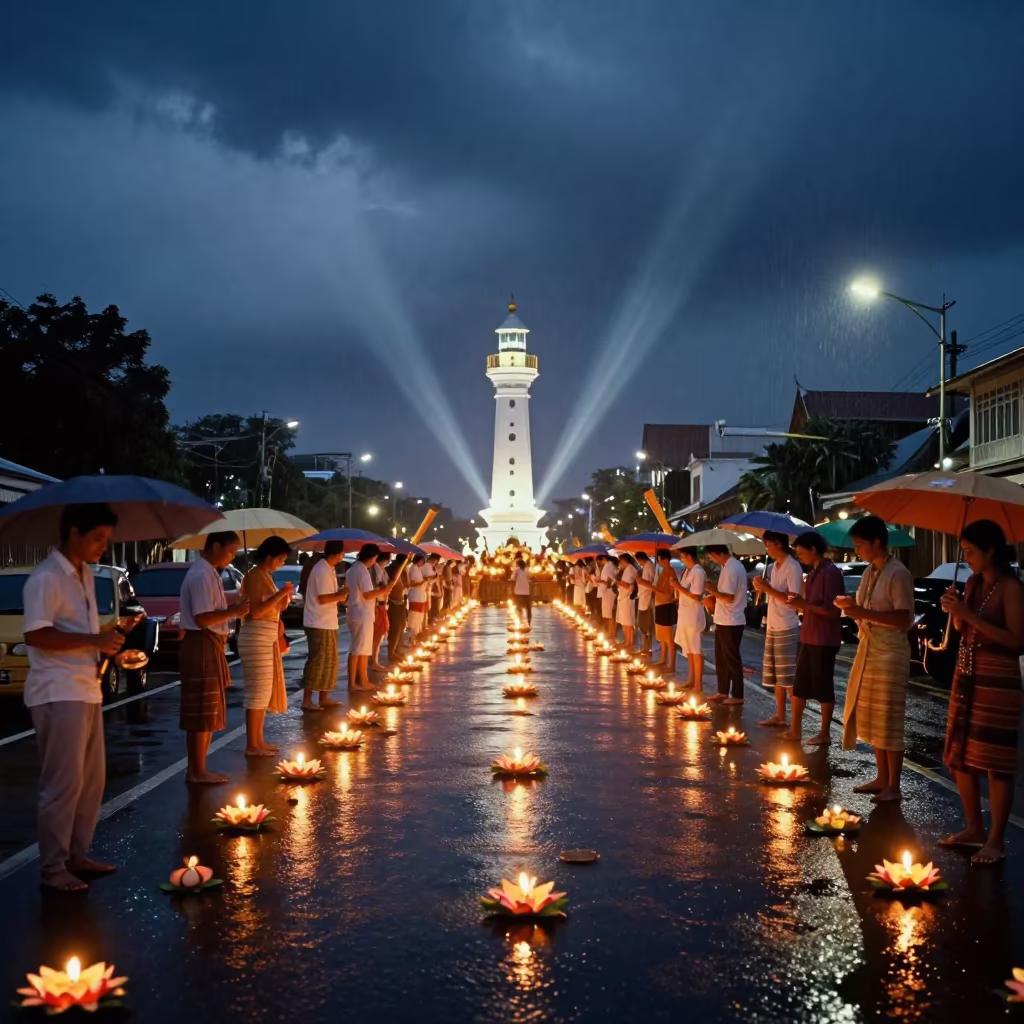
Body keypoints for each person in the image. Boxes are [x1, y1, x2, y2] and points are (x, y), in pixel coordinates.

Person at [23, 503, 129, 891]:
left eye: (106, 539)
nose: (103, 546)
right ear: (74, 533)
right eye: (98, 538)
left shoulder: (83, 575)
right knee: (63, 783)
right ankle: (53, 869)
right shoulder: (47, 577)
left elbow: (81, 635)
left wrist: (109, 636)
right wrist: (94, 640)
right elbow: (35, 635)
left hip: (86, 689)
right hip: (57, 690)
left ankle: (75, 855)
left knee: (90, 782)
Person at [939, 519, 1024, 865]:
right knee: (960, 754)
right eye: (964, 551)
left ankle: (996, 839)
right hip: (967, 674)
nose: (967, 557)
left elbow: (1017, 640)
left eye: (971, 551)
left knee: (995, 763)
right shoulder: (973, 582)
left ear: (991, 551)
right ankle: (974, 827)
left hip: (997, 680)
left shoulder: (1010, 588)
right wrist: (955, 609)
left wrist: (968, 617)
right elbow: (962, 628)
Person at [837, 515, 914, 803]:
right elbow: (865, 608)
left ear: (876, 542)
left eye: (860, 544)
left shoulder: (898, 573)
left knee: (890, 720)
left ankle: (894, 785)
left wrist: (862, 613)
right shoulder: (871, 572)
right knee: (874, 718)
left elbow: (903, 617)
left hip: (890, 653)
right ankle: (882, 778)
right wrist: (850, 605)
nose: (857, 550)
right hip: (869, 650)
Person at [179, 531, 249, 784]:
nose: (232, 557)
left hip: (210, 643)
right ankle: (197, 771)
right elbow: (203, 618)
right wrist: (235, 611)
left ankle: (199, 768)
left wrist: (234, 608)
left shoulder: (210, 573)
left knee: (207, 710)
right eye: (230, 551)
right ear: (215, 545)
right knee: (201, 711)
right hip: (202, 643)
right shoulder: (200, 575)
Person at [238, 535, 295, 756]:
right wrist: (281, 594)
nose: (282, 563)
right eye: (280, 559)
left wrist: (283, 598)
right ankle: (252, 744)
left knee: (262, 693)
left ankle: (258, 740)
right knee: (256, 692)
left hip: (266, 637)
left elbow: (270, 607)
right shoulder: (253, 575)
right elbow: (256, 611)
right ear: (269, 556)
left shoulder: (265, 576)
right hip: (255, 639)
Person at [787, 531, 844, 745]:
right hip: (808, 635)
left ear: (813, 550)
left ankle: (825, 733)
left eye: (802, 553)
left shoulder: (830, 573)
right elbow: (811, 606)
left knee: (823, 686)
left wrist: (804, 605)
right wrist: (801, 603)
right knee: (799, 684)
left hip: (824, 638)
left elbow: (832, 611)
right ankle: (795, 729)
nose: (800, 557)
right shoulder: (812, 574)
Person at [752, 531, 804, 729]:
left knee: (788, 676)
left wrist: (769, 590)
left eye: (769, 545)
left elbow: (793, 600)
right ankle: (780, 714)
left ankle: (794, 723)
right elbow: (772, 593)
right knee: (775, 675)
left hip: (787, 626)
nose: (767, 549)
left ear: (779, 544)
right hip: (773, 624)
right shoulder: (774, 567)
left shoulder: (793, 567)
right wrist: (762, 586)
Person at [346, 544, 403, 691]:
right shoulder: (362, 571)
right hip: (362, 613)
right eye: (375, 558)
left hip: (355, 612)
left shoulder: (352, 569)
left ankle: (357, 681)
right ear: (371, 557)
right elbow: (367, 594)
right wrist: (384, 590)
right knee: (361, 650)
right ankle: (360, 682)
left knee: (357, 649)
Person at [301, 541, 348, 711]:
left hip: (328, 621)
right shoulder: (321, 569)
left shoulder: (329, 568)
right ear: (337, 553)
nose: (342, 557)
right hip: (318, 622)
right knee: (317, 661)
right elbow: (323, 598)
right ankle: (307, 699)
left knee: (329, 661)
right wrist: (341, 595)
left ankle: (324, 696)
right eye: (342, 554)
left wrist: (340, 594)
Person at [704, 545, 748, 704]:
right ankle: (723, 691)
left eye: (711, 557)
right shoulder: (727, 566)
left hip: (731, 620)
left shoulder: (732, 568)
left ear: (717, 553)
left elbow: (729, 597)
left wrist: (711, 590)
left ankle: (737, 695)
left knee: (731, 658)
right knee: (721, 658)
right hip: (723, 619)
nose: (712, 560)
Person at [671, 547, 706, 693]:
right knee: (689, 649)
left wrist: (678, 586)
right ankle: (691, 679)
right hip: (684, 614)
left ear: (688, 555)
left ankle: (698, 684)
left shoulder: (698, 571)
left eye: (682, 556)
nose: (681, 559)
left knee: (696, 650)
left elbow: (696, 596)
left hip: (693, 615)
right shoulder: (687, 570)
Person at [371, 552, 392, 672]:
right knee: (376, 635)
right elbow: (377, 587)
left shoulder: (382, 570)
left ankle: (375, 659)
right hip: (377, 605)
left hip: (383, 605)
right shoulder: (374, 570)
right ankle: (373, 660)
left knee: (380, 633)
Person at [614, 553, 639, 650]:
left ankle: (630, 642)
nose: (620, 564)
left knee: (628, 622)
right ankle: (626, 641)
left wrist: (619, 582)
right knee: (624, 621)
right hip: (623, 598)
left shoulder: (630, 569)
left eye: (620, 561)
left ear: (624, 560)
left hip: (627, 598)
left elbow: (628, 585)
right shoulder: (626, 569)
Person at [387, 556, 409, 662]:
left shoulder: (401, 571)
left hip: (401, 602)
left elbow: (406, 584)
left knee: (402, 625)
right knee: (395, 629)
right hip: (393, 603)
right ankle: (391, 652)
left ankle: (396, 649)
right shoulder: (393, 571)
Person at [634, 552, 656, 657]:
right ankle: (644, 647)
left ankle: (647, 648)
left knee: (646, 624)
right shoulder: (646, 566)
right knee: (642, 624)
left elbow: (652, 582)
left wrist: (641, 581)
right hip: (642, 597)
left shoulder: (649, 565)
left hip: (647, 598)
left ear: (639, 559)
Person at [406, 554, 429, 641]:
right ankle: (411, 636)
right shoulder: (412, 568)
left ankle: (416, 635)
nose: (423, 563)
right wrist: (424, 581)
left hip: (421, 596)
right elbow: (412, 583)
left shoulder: (418, 569)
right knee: (413, 617)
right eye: (422, 561)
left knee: (419, 617)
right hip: (415, 596)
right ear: (417, 560)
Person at [513, 559, 532, 623]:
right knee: (528, 608)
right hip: (526, 592)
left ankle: (521, 621)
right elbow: (530, 577)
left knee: (519, 607)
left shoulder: (517, 570)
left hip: (518, 592)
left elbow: (513, 577)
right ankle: (528, 621)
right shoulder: (527, 571)